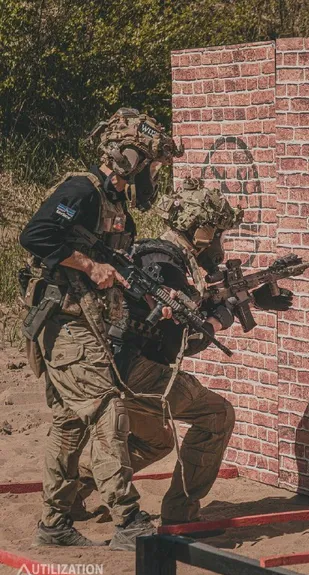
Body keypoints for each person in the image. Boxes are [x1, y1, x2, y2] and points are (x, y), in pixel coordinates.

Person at [73, 178, 293, 534]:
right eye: (218, 234)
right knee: (217, 415)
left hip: (117, 365)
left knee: (156, 441)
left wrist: (249, 298)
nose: (219, 244)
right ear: (201, 231)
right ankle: (181, 514)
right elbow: (187, 339)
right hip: (136, 369)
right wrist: (223, 317)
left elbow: (197, 302)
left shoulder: (156, 255)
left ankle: (72, 492)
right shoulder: (167, 266)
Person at [19, 107, 182, 550]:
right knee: (108, 411)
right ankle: (128, 520)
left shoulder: (116, 201)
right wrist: (89, 266)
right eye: (151, 163)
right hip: (64, 324)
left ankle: (54, 522)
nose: (153, 174)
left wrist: (151, 295)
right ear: (130, 158)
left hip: (88, 324)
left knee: (70, 424)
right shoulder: (81, 190)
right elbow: (35, 235)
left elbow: (117, 263)